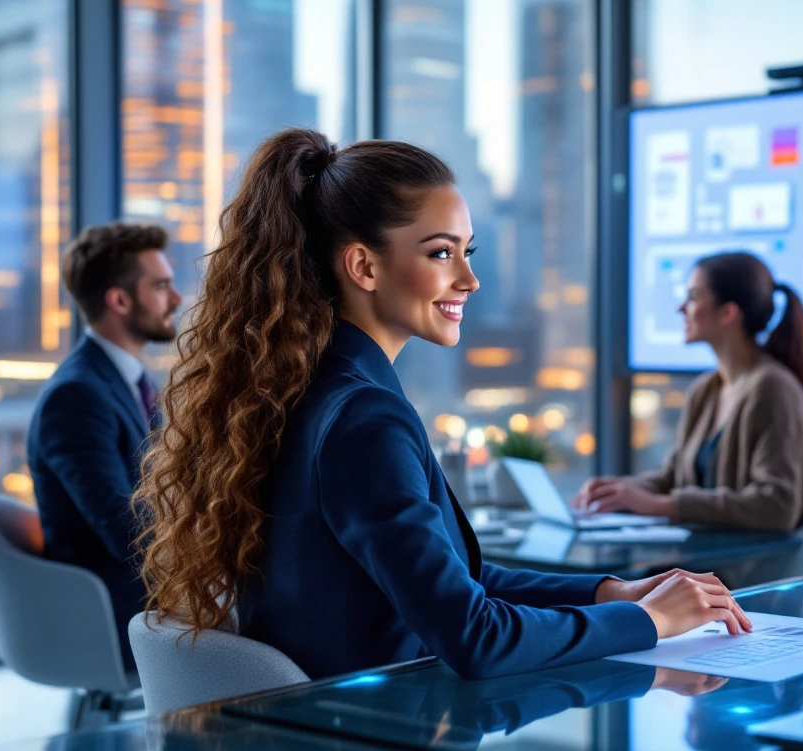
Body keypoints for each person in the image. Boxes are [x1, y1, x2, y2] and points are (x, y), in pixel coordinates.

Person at [135, 128, 751, 681]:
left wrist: (615, 593)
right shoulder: (363, 416)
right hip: (373, 740)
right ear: (363, 266)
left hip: (325, 725)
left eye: (468, 251)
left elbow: (453, 583)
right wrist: (650, 624)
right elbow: (474, 637)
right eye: (440, 253)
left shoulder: (305, 386)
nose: (469, 279)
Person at [574, 252, 803, 532]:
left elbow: (777, 505)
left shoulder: (773, 389)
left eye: (693, 297)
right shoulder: (706, 390)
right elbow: (672, 477)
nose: (681, 308)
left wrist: (661, 506)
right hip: (692, 560)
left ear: (728, 312)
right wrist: (615, 491)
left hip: (739, 568)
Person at [28, 222, 182, 671]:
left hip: (141, 596)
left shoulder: (127, 380)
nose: (175, 299)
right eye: (161, 286)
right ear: (119, 300)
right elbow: (125, 531)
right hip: (114, 610)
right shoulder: (76, 397)